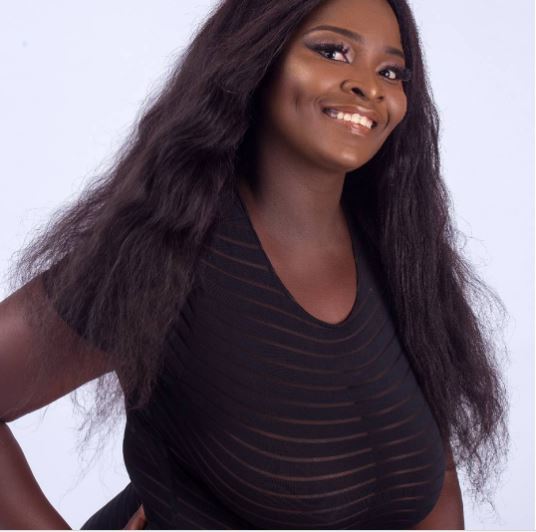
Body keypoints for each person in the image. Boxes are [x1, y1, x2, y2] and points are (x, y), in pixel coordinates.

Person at [0, 0, 509, 529]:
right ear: (258, 60)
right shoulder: (164, 255)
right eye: (333, 51)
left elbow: (435, 478)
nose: (369, 87)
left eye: (391, 72)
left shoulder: (401, 259)